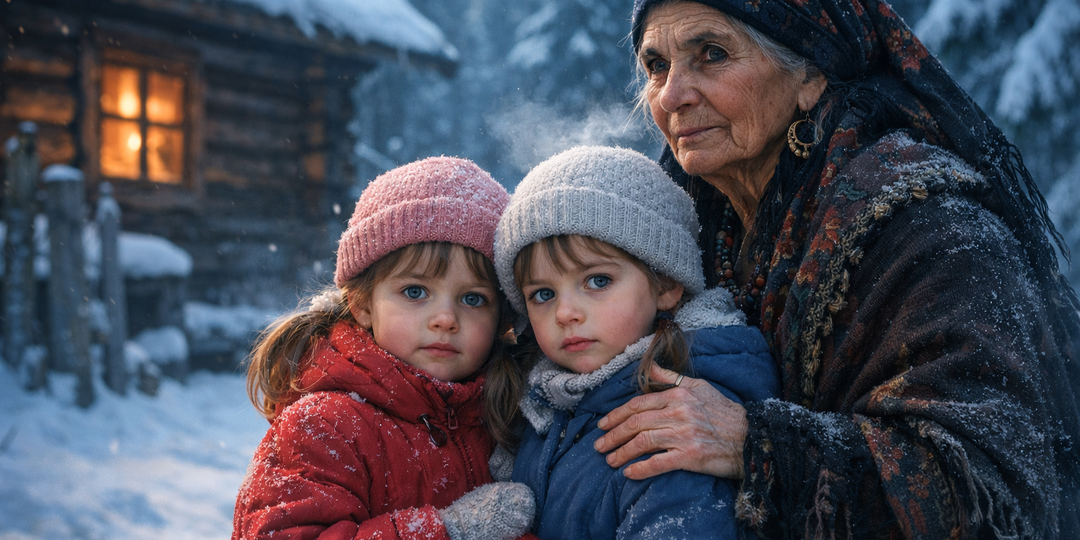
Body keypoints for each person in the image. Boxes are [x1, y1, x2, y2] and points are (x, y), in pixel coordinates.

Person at [590, 0, 1080, 538]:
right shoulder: (685, 230)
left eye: (711, 54)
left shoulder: (935, 237)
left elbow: (990, 495)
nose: (671, 95)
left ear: (810, 74)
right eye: (656, 65)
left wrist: (754, 444)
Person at [232, 157, 537, 540]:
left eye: (473, 299)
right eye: (415, 291)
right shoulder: (323, 427)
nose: (445, 318)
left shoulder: (509, 413)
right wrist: (447, 531)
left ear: (502, 319)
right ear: (362, 303)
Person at [491, 145, 781, 539]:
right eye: (543, 294)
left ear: (666, 283)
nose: (565, 313)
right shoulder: (543, 407)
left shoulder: (674, 425)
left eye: (597, 281)